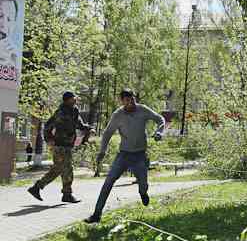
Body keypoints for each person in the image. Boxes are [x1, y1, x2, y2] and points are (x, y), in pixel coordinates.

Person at [85, 89, 165, 224]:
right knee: (108, 183)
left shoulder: (142, 110)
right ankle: (96, 214)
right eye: (127, 101)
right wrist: (102, 151)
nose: (131, 103)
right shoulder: (118, 115)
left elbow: (160, 119)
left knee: (143, 184)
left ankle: (143, 193)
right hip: (123, 155)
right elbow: (107, 133)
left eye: (133, 99)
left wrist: (159, 132)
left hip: (140, 154)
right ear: (122, 101)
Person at [28, 91, 94, 203]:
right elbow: (47, 126)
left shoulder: (74, 111)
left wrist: (89, 128)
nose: (75, 100)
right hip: (59, 145)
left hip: (68, 145)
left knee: (58, 169)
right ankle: (66, 194)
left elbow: (79, 125)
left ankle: (37, 188)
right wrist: (49, 139)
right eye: (73, 98)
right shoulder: (60, 112)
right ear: (67, 100)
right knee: (67, 169)